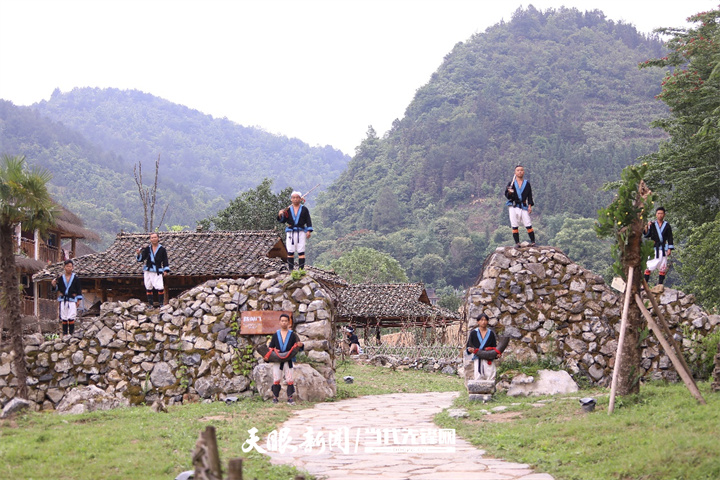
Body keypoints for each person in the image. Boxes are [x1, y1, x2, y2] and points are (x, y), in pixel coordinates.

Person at [268, 313, 303, 404]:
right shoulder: (276, 335)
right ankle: (275, 397)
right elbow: (271, 347)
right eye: (282, 321)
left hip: (289, 359)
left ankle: (290, 397)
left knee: (289, 379)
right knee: (276, 378)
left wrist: (300, 345)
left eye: (285, 321)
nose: (284, 323)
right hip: (278, 360)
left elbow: (299, 346)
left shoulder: (293, 335)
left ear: (288, 322)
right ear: (279, 322)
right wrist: (274, 350)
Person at [277, 191, 313, 270]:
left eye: (297, 197)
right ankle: (291, 270)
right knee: (290, 250)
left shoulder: (304, 209)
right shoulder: (288, 210)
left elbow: (308, 220)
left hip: (301, 231)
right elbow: (283, 220)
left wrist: (308, 231)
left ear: (300, 199)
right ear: (291, 199)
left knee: (301, 250)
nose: (295, 199)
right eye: (293, 198)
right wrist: (280, 215)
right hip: (290, 232)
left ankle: (301, 270)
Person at [504, 165, 536, 247]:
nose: (520, 172)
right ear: (515, 172)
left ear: (523, 172)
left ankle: (533, 242)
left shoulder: (527, 184)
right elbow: (507, 196)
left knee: (528, 223)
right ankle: (517, 243)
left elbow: (530, 195)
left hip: (523, 205)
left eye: (521, 170)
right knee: (514, 224)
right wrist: (510, 192)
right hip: (513, 205)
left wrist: (529, 206)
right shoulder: (511, 183)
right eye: (518, 170)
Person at [136, 232, 170, 307]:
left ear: (158, 238)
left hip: (157, 270)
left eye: (155, 237)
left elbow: (165, 260)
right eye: (152, 237)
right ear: (150, 239)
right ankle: (150, 304)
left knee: (160, 286)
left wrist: (165, 270)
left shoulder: (162, 249)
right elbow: (142, 259)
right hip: (148, 269)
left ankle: (161, 304)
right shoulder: (147, 249)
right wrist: (139, 254)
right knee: (148, 286)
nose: (154, 239)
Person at [643, 206, 674, 287]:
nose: (660, 215)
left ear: (664, 215)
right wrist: (646, 228)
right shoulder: (652, 224)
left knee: (662, 266)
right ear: (656, 214)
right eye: (658, 213)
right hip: (653, 247)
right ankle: (645, 284)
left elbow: (670, 237)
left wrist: (670, 248)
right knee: (648, 265)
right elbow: (647, 235)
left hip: (663, 248)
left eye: (661, 213)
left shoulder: (667, 225)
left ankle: (660, 285)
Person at [51, 259, 83, 336]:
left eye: (70, 266)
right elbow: (57, 288)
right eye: (67, 266)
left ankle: (71, 333)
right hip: (63, 299)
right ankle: (65, 334)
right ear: (64, 267)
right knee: (64, 316)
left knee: (72, 316)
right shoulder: (61, 278)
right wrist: (53, 284)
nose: (69, 268)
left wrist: (78, 300)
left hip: (72, 299)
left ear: (72, 268)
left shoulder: (76, 278)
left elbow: (79, 289)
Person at [465, 313, 498, 382]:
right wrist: (470, 350)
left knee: (490, 374)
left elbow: (494, 346)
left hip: (488, 357)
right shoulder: (473, 333)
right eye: (481, 320)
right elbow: (469, 345)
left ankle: (490, 391)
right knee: (478, 376)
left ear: (487, 322)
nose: (483, 322)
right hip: (478, 357)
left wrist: (496, 354)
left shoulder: (491, 333)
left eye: (485, 320)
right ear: (478, 322)